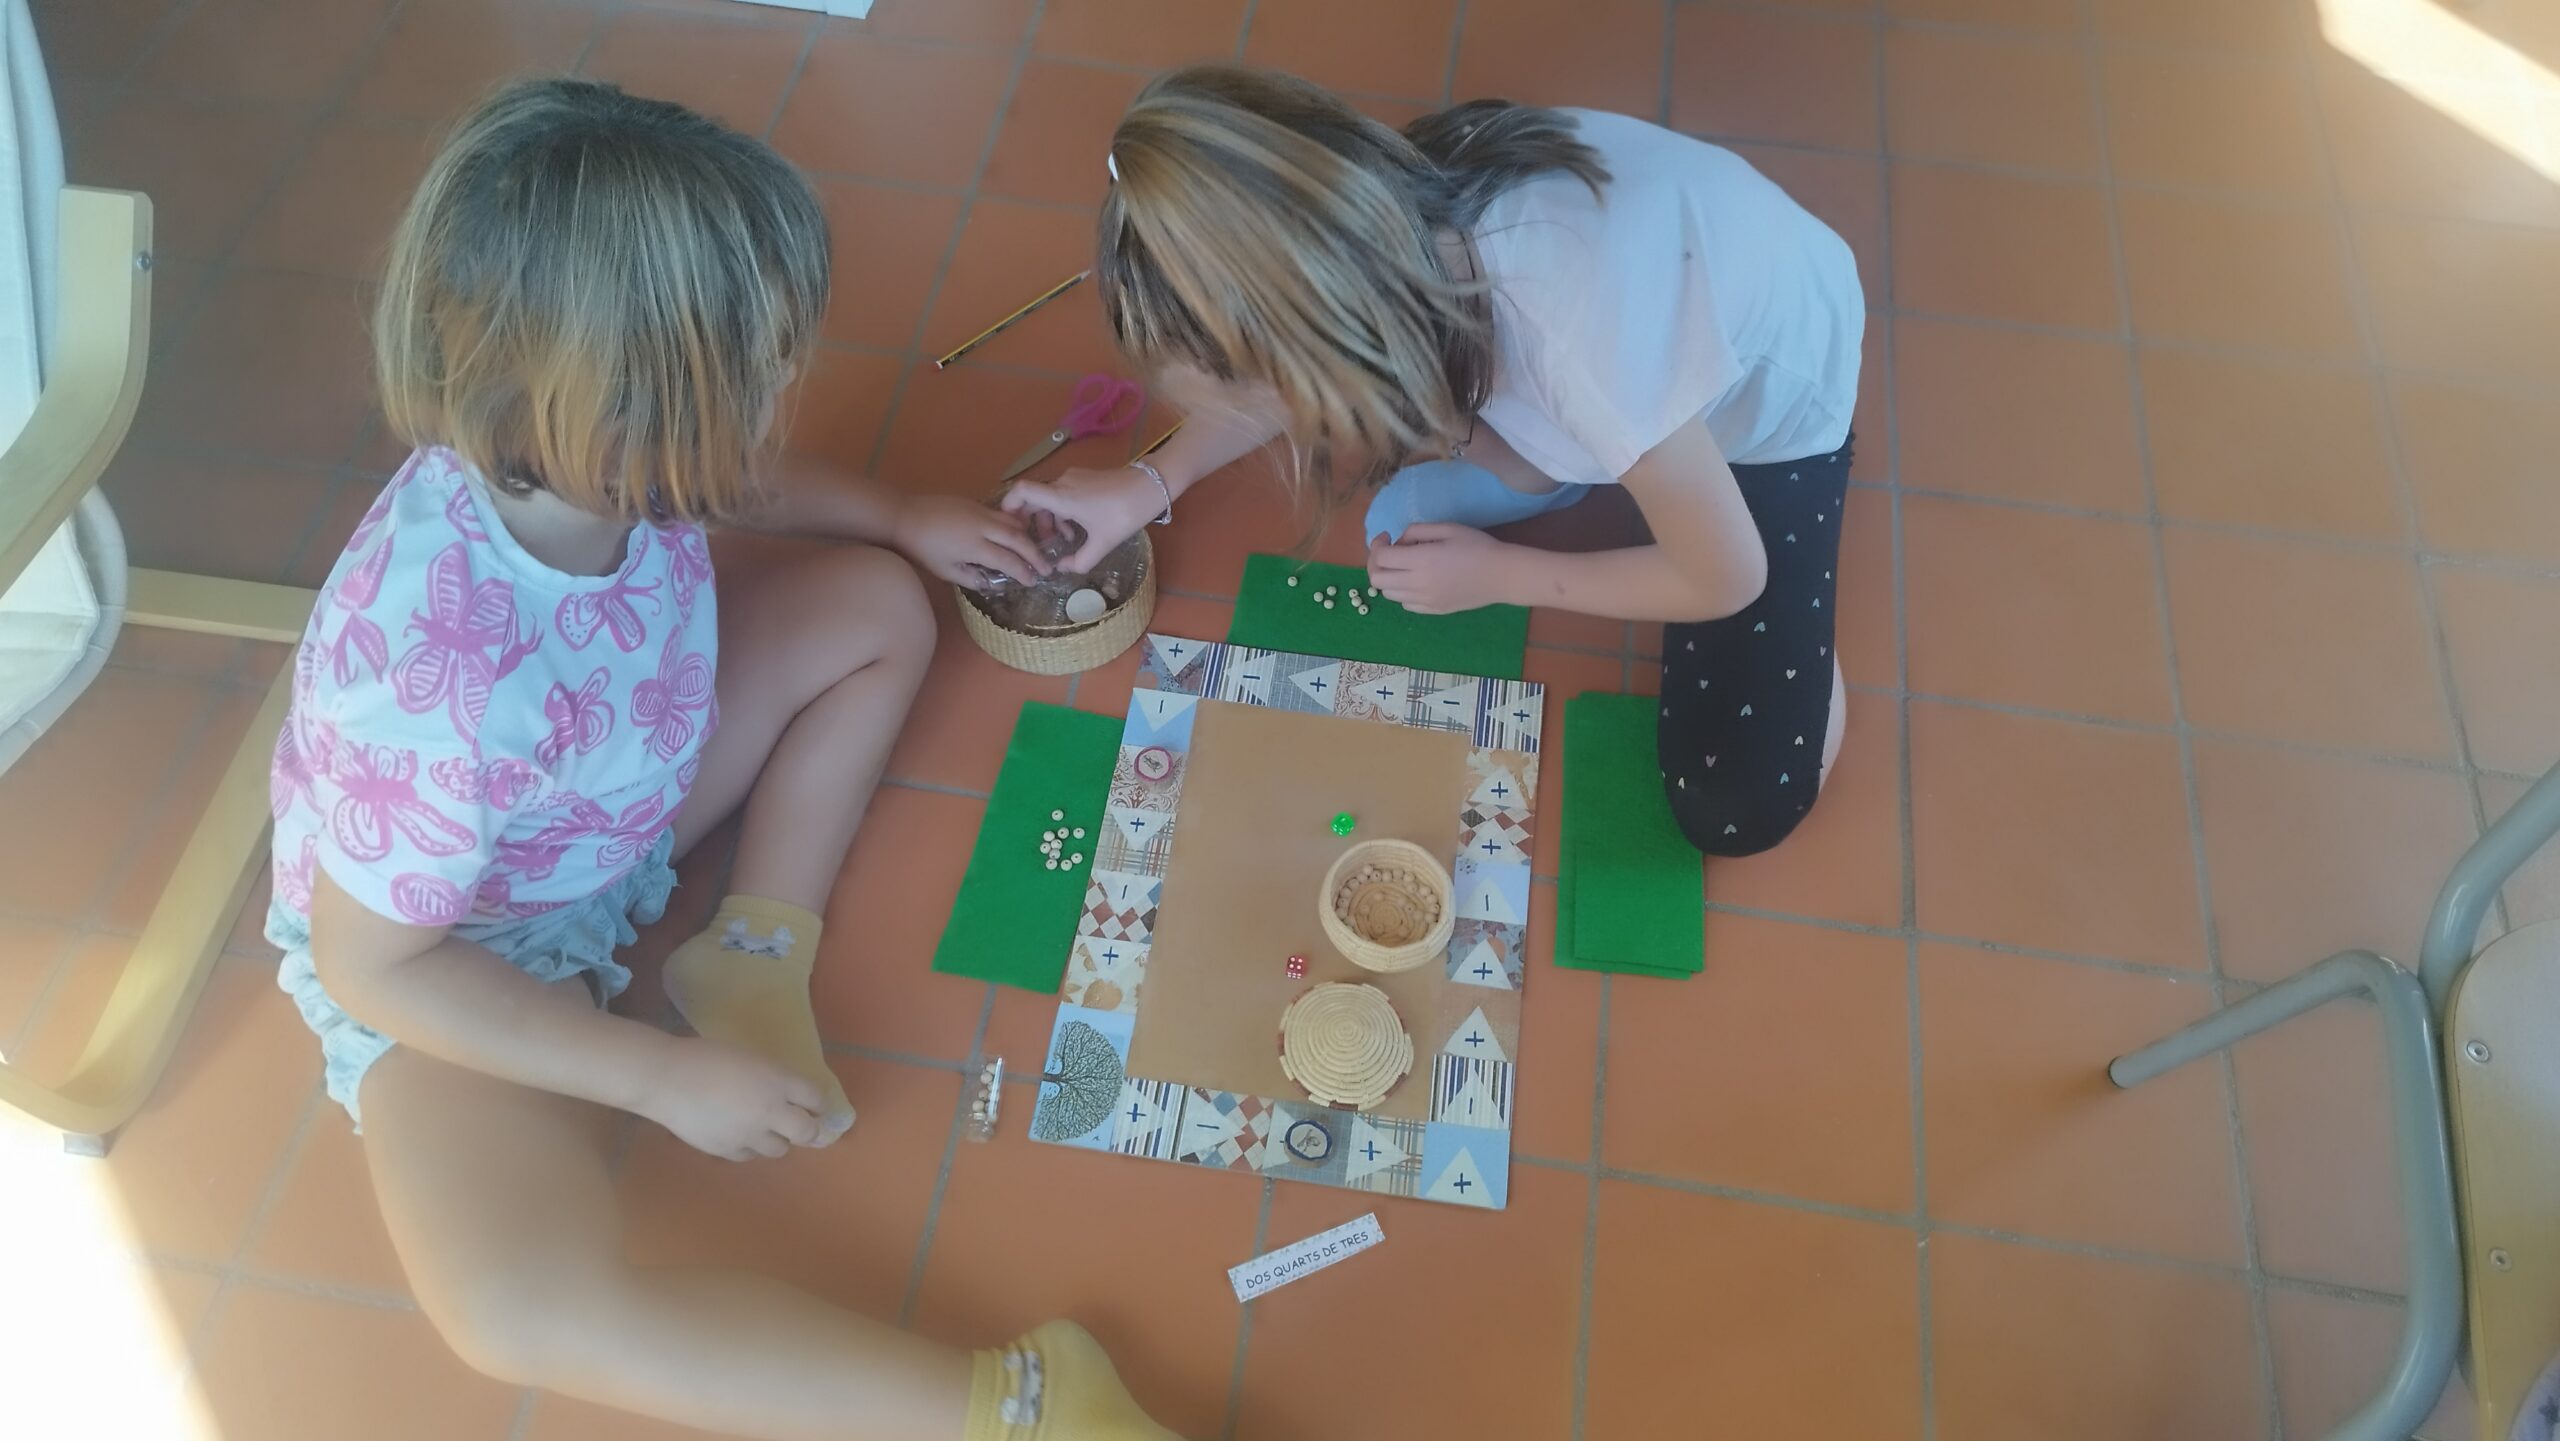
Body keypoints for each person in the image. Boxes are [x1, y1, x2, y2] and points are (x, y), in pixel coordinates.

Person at [267, 78, 1174, 1441]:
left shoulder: (585, 447)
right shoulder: (428, 694)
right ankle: (1019, 1408)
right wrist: (650, 1074)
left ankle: (752, 950)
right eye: (753, 386)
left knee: (876, 604)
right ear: (624, 416)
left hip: (625, 789)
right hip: (466, 947)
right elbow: (372, 968)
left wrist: (897, 513)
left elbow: (726, 477)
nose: (777, 405)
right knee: (512, 1310)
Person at [1005, 66, 1865, 857]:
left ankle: (1663, 509)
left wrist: (1500, 574)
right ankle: (1589, 471)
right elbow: (1278, 375)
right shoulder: (1368, 221)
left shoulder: (1583, 350)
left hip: (1767, 420)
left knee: (1731, 804)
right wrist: (1148, 483)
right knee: (1419, 511)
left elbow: (1727, 578)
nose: (1283, 412)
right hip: (1616, 379)